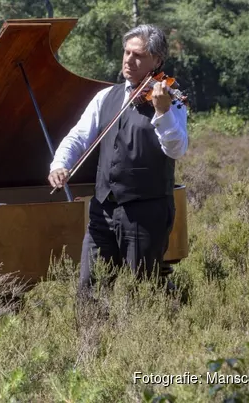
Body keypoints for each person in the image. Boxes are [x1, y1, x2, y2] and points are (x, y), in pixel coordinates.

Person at [48, 25, 188, 291]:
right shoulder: (105, 97)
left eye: (138, 55)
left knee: (143, 290)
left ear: (157, 60)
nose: (128, 60)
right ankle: (92, 332)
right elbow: (77, 137)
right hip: (103, 209)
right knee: (90, 288)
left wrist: (163, 113)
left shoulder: (172, 101)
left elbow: (177, 149)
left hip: (146, 211)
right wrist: (60, 164)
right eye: (126, 53)